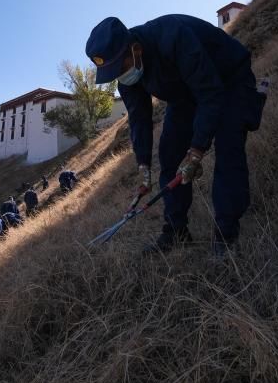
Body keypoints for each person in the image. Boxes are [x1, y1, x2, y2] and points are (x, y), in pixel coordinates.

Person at [85, 15, 266, 256]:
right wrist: (143, 166)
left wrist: (196, 150)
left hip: (228, 79)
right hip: (185, 95)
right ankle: (176, 232)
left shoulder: (174, 36)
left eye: (121, 67)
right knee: (169, 155)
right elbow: (139, 119)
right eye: (113, 72)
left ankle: (226, 235)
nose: (120, 75)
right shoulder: (127, 77)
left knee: (228, 145)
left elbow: (210, 93)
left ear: (135, 48)